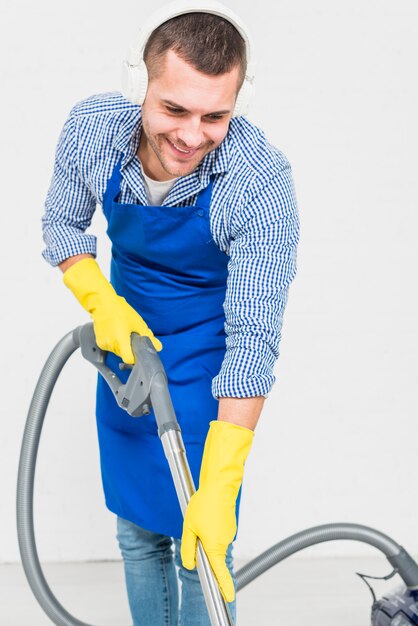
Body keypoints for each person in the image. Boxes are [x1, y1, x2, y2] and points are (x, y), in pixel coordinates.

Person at [41, 1, 299, 624]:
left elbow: (253, 339)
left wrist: (223, 481)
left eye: (216, 115)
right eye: (174, 109)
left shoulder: (258, 181)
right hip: (129, 345)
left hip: (212, 359)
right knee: (138, 535)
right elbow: (62, 224)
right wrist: (102, 303)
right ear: (141, 87)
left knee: (203, 546)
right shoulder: (94, 131)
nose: (191, 135)